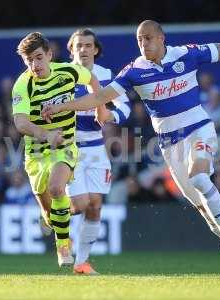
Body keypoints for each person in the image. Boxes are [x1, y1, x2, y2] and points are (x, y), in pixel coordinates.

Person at [42, 20, 220, 277]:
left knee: (199, 176)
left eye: (148, 38)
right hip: (170, 144)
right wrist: (60, 107)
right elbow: (99, 97)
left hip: (199, 128)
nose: (144, 44)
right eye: (139, 40)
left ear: (162, 38)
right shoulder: (134, 71)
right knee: (203, 209)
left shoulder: (186, 54)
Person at [11, 32, 100, 267]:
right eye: (29, 60)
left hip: (66, 146)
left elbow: (91, 79)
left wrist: (99, 107)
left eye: (39, 58)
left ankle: (63, 248)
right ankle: (52, 220)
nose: (34, 65)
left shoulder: (67, 72)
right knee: (51, 216)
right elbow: (20, 123)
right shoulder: (23, 85)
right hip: (36, 155)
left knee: (57, 187)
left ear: (50, 55)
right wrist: (45, 134)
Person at [65, 28, 130, 275]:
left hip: (95, 147)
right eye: (78, 45)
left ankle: (82, 262)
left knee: (95, 206)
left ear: (96, 49)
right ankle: (58, 221)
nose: (83, 49)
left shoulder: (106, 75)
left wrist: (110, 115)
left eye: (88, 45)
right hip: (68, 148)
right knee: (80, 204)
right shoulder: (61, 75)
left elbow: (125, 105)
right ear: (71, 49)